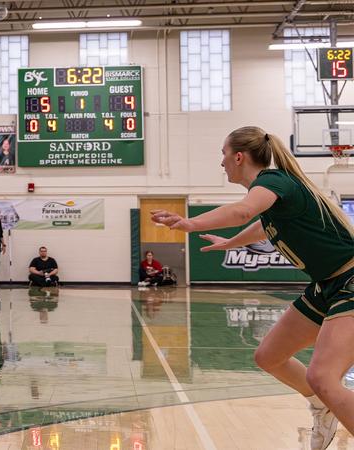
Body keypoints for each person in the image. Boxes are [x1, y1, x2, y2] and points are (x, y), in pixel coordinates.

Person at [150, 126, 354, 450]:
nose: (222, 162)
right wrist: (228, 244)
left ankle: (327, 397)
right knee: (268, 357)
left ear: (239, 156)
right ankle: (321, 405)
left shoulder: (272, 182)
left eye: (223, 154)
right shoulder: (274, 197)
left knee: (323, 377)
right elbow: (259, 227)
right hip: (326, 285)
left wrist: (190, 222)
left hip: (350, 280)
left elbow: (243, 211)